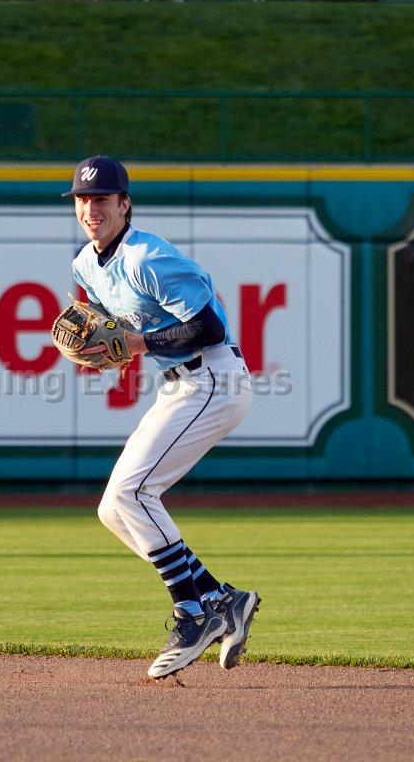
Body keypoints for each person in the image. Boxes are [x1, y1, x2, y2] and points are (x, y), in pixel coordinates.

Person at [62, 155, 260, 680]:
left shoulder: (147, 256)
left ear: (124, 205)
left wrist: (134, 344)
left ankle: (191, 614)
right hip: (180, 385)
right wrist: (113, 349)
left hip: (215, 378)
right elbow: (121, 332)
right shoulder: (85, 265)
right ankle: (221, 599)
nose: (91, 209)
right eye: (83, 199)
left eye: (102, 199)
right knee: (113, 508)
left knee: (134, 493)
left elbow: (209, 329)